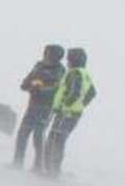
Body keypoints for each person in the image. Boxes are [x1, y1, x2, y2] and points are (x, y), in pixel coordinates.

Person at [40, 47, 97, 177]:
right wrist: (81, 105)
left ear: (74, 60)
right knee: (59, 141)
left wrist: (64, 106)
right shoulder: (85, 74)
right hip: (74, 114)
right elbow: (92, 93)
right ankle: (54, 170)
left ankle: (51, 171)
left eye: (69, 58)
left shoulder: (74, 73)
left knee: (54, 140)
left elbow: (74, 93)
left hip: (65, 114)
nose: (67, 61)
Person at [13, 43, 64, 170]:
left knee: (38, 135)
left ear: (56, 56)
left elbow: (57, 88)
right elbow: (28, 80)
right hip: (32, 106)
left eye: (48, 53)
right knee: (22, 133)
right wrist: (29, 86)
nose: (45, 55)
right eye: (45, 52)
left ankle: (38, 165)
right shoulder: (39, 66)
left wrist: (41, 90)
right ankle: (17, 162)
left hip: (46, 108)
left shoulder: (60, 70)